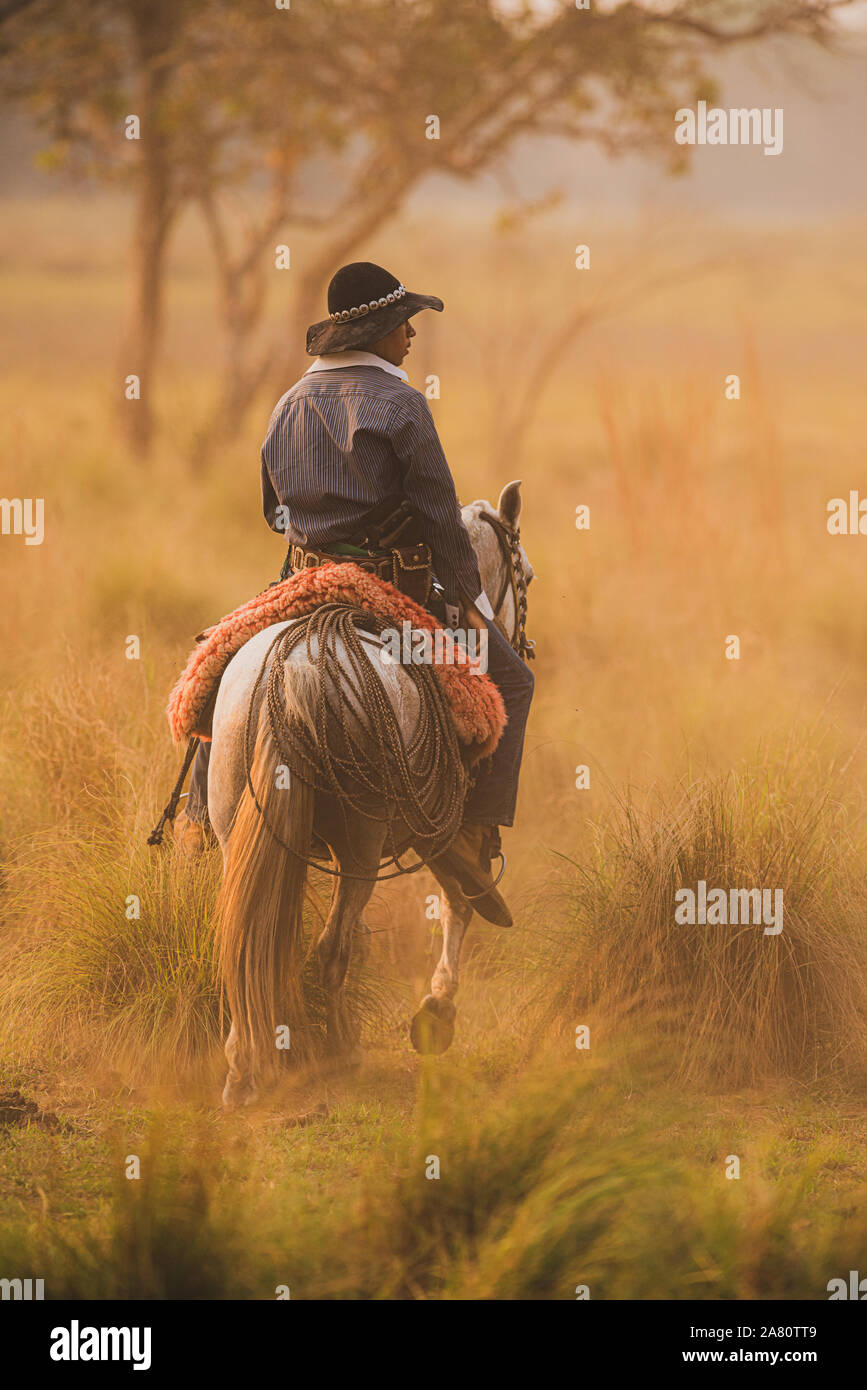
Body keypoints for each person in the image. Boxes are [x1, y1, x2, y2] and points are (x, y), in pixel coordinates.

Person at [177, 262, 533, 926]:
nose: (412, 336)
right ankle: (470, 835)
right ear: (378, 330)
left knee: (219, 658)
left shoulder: (286, 402)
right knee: (511, 683)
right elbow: (437, 515)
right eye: (406, 324)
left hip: (302, 580)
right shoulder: (401, 404)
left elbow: (271, 511)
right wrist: (470, 605)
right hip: (386, 588)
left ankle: (197, 811)